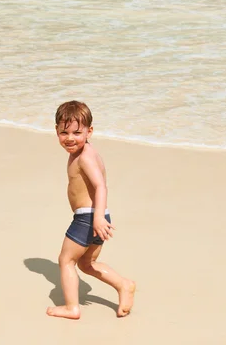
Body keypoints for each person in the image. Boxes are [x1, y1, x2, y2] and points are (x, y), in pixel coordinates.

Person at [47, 100, 136, 319]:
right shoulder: (83, 152)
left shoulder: (85, 157)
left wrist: (96, 218)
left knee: (65, 260)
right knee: (87, 263)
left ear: (89, 131)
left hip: (89, 218)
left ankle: (72, 307)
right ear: (56, 131)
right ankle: (123, 285)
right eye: (63, 132)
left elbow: (100, 186)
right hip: (97, 216)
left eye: (77, 132)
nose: (70, 138)